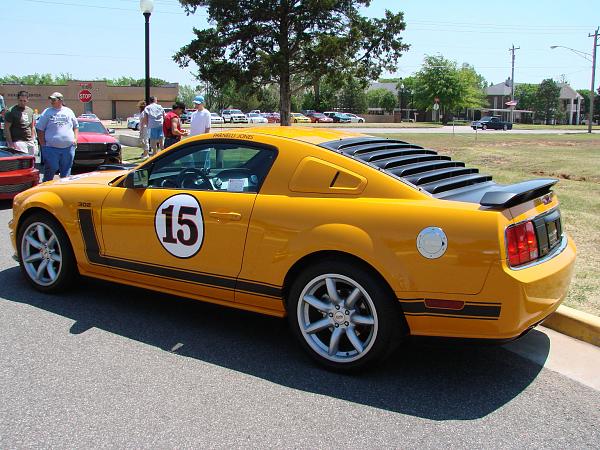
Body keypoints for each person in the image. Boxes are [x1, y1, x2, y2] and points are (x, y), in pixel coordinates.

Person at [36, 92, 79, 181]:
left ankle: (64, 189)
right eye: (51, 99)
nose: (51, 101)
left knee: (66, 170)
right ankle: (46, 187)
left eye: (54, 99)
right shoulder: (47, 112)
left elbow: (76, 126)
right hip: (51, 148)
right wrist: (43, 144)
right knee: (51, 168)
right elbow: (40, 129)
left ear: (60, 100)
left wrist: (75, 139)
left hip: (68, 148)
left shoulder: (69, 111)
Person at [4, 91, 37, 155]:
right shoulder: (11, 111)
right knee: (22, 162)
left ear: (27, 100)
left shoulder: (30, 111)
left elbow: (32, 126)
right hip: (18, 141)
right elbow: (6, 128)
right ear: (17, 99)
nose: (22, 102)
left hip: (29, 141)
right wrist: (10, 144)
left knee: (31, 161)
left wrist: (33, 140)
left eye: (24, 101)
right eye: (20, 100)